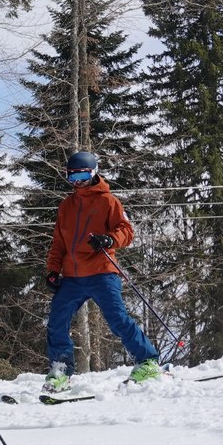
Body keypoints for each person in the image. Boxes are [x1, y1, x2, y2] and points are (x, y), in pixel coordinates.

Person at [42, 151, 159, 392]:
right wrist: (53, 270)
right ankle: (60, 369)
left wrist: (108, 239)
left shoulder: (108, 201)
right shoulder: (66, 206)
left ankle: (147, 361)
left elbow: (126, 230)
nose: (78, 182)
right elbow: (59, 243)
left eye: (83, 176)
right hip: (73, 277)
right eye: (72, 177)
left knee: (117, 318)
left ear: (94, 174)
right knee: (56, 320)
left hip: (101, 271)